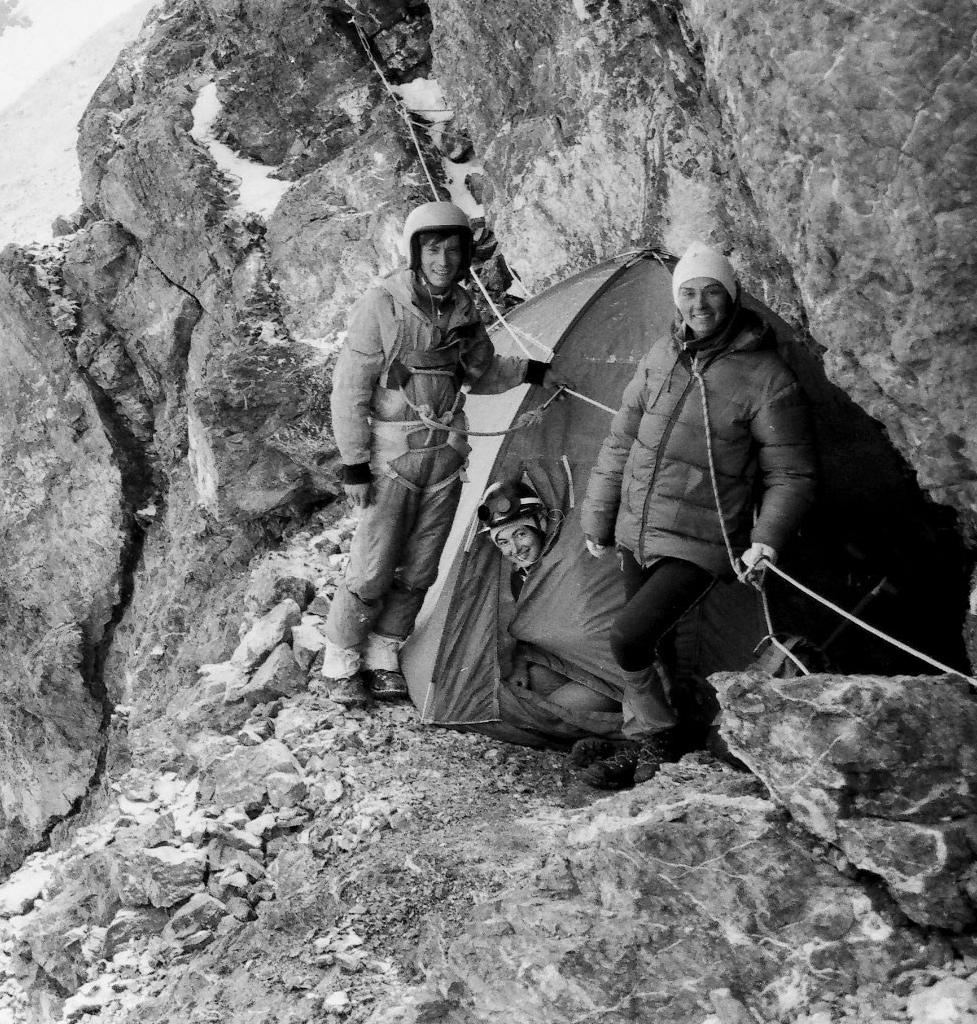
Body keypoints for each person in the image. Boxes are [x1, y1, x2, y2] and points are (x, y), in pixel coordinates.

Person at [578, 245, 816, 780]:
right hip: (638, 527)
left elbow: (792, 474)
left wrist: (767, 538)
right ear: (675, 298)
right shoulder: (662, 355)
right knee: (652, 645)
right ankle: (653, 743)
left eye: (712, 290)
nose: (699, 303)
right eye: (687, 291)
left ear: (731, 297)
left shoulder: (767, 377)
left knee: (628, 637)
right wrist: (599, 516)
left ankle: (658, 740)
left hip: (704, 539)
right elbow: (622, 440)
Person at [314, 200, 550, 706]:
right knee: (374, 563)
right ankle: (340, 655)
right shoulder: (382, 304)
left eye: (453, 249)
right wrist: (353, 462)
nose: (443, 259)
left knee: (422, 565)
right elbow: (349, 389)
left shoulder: (464, 309)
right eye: (433, 248)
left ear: (466, 256)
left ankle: (384, 651)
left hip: (444, 455)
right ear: (415, 252)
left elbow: (480, 372)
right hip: (392, 457)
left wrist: (529, 372)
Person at [477, 479, 620, 721]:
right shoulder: (516, 578)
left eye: (520, 534)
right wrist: (520, 662)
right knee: (529, 687)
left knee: (545, 714)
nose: (515, 548)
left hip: (611, 674)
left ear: (540, 524)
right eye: (503, 542)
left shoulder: (572, 558)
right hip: (566, 662)